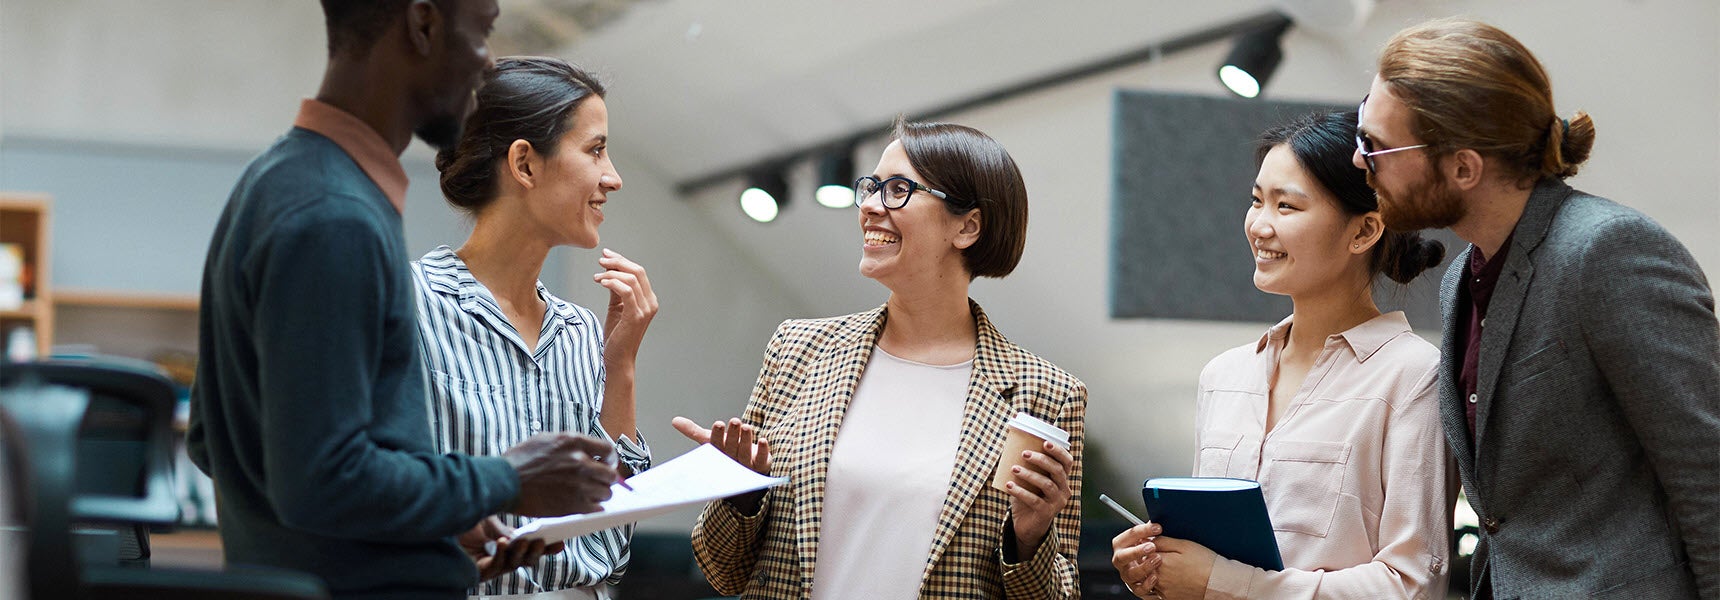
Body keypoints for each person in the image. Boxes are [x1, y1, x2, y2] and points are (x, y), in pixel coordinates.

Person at [188, 3, 621, 598]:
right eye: (483, 31)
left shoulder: (279, 181)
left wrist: (430, 523)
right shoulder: (334, 215)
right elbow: (323, 479)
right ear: (423, 26)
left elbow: (216, 442)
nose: (486, 62)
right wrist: (502, 478)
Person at [1353, 18, 1720, 598]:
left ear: (1464, 167)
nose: (1359, 159)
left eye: (1375, 145)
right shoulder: (1459, 281)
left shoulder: (1608, 251)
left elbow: (1708, 471)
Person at [672, 120, 1086, 599]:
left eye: (897, 190)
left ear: (967, 226)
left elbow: (1061, 593)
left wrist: (1030, 538)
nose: (869, 206)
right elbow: (724, 571)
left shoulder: (1047, 395)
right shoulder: (798, 351)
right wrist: (740, 490)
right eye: (869, 187)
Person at [1112, 111, 1451, 600]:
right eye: (1256, 201)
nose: (1259, 226)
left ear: (1364, 231)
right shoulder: (1223, 375)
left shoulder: (1414, 376)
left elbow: (1414, 583)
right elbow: (1205, 562)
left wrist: (1222, 582)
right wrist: (1157, 573)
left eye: (1286, 206)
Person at [415, 56, 657, 599]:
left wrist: (619, 366)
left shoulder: (577, 333)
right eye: (595, 149)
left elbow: (610, 551)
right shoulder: (410, 308)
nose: (612, 177)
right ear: (524, 164)